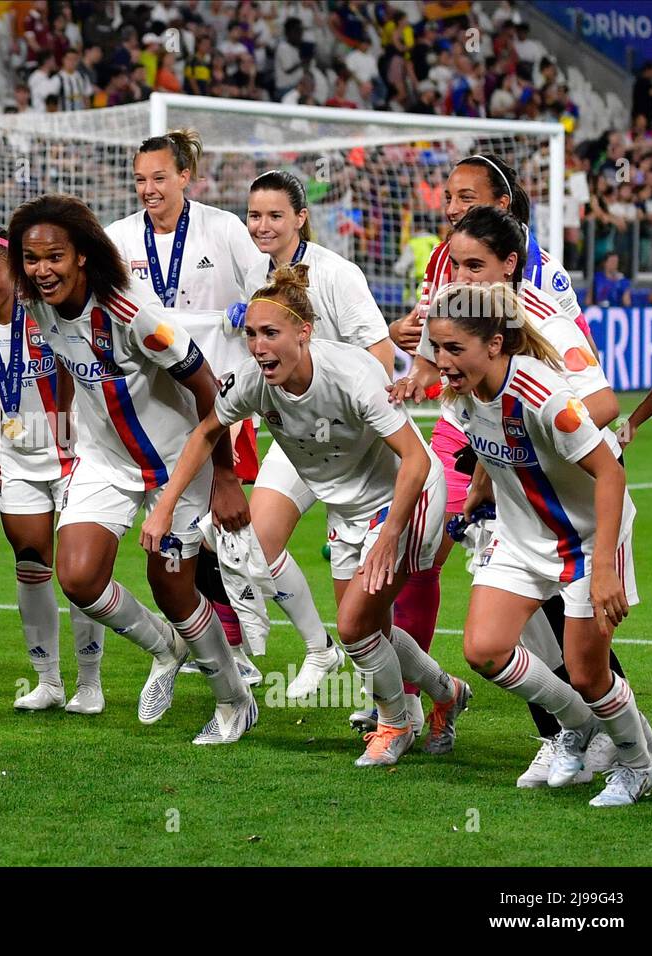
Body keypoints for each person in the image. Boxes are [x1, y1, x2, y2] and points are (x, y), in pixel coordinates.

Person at [143, 265, 470, 765]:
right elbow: (208, 429)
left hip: (408, 497)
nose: (258, 346)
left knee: (356, 625)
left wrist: (390, 535)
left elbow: (417, 459)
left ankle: (395, 724)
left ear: (304, 332)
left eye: (270, 333)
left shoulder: (353, 374)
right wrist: (166, 505)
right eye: (251, 334)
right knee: (368, 628)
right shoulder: (254, 382)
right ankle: (446, 693)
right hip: (348, 508)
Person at [9, 193, 258, 744]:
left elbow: (206, 386)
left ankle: (233, 701)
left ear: (81, 257)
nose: (41, 269)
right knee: (77, 577)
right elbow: (74, 369)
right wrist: (70, 432)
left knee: (172, 590)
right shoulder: (36, 307)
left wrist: (223, 475)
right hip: (105, 462)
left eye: (54, 256)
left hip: (177, 465)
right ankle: (163, 648)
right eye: (30, 258)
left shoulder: (135, 316)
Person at [428, 282, 652, 806]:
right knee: (484, 650)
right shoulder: (461, 391)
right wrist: (481, 487)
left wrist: (604, 571)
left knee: (588, 672)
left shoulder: (545, 396)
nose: (443, 361)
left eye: (454, 348)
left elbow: (610, 475)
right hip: (522, 535)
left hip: (590, 539)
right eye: (438, 348)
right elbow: (491, 445)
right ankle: (574, 725)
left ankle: (637, 764)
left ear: (494, 344)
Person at [105, 128, 265, 677]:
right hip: (148, 404)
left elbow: (269, 286)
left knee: (226, 531)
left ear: (184, 177)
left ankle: (258, 646)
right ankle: (219, 644)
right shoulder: (118, 238)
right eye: (140, 180)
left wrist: (252, 307)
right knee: (182, 535)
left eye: (158, 178)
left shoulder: (223, 229)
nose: (148, 190)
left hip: (216, 398)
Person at [239, 169, 397, 706]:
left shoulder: (337, 273)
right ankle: (318, 649)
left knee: (362, 592)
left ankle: (391, 703)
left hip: (352, 445)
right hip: (296, 438)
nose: (263, 225)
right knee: (255, 542)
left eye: (275, 215)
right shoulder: (253, 276)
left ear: (301, 218)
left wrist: (348, 417)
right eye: (255, 215)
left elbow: (380, 354)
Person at [0, 221, 104, 713]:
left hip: (80, 456)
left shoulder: (49, 310)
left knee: (80, 570)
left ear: (13, 270)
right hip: (19, 460)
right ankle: (48, 682)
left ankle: (90, 684)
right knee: (31, 562)